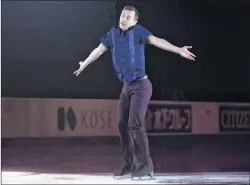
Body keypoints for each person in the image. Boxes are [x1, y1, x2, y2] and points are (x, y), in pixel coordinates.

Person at [73, 5, 196, 178]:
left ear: (135, 21)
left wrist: (178, 50)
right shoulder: (113, 34)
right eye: (123, 15)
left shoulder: (138, 32)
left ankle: (147, 165)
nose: (124, 19)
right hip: (126, 87)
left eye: (128, 17)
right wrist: (84, 63)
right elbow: (99, 50)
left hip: (141, 86)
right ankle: (130, 164)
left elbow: (156, 40)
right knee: (122, 124)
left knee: (134, 124)